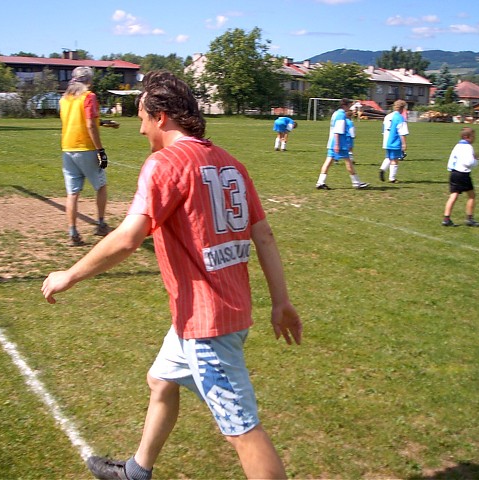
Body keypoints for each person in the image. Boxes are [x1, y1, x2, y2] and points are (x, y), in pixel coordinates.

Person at [42, 70, 303, 480]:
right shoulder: (230, 162)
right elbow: (264, 236)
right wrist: (281, 301)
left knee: (243, 431)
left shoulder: (163, 164)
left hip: (208, 324)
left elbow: (128, 238)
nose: (140, 128)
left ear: (161, 117)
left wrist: (69, 275)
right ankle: (137, 471)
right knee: (161, 380)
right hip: (213, 314)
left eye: (142, 118)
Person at [59, 66, 110, 247]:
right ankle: (101, 224)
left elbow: (77, 120)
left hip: (67, 148)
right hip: (86, 148)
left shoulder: (64, 99)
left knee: (72, 193)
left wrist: (102, 122)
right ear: (89, 80)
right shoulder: (89, 96)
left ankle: (73, 232)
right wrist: (100, 150)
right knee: (101, 186)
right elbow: (89, 124)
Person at [315, 98, 369, 190]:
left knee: (328, 161)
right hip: (339, 142)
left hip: (332, 141)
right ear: (344, 105)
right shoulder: (341, 115)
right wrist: (337, 144)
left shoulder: (335, 113)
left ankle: (320, 182)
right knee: (348, 161)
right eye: (349, 105)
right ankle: (356, 183)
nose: (350, 107)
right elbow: (338, 131)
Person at [442, 127, 479, 227]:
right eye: (473, 136)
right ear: (467, 137)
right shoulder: (468, 147)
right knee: (472, 196)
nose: (474, 138)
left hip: (454, 173)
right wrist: (476, 160)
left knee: (453, 196)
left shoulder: (457, 145)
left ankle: (446, 218)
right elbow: (469, 163)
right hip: (463, 174)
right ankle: (470, 219)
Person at [378, 100, 409, 184]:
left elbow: (383, 129)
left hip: (386, 140)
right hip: (395, 140)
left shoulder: (388, 116)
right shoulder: (400, 118)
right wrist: (404, 143)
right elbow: (402, 131)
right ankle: (392, 178)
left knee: (389, 157)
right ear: (403, 108)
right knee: (395, 159)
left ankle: (382, 169)